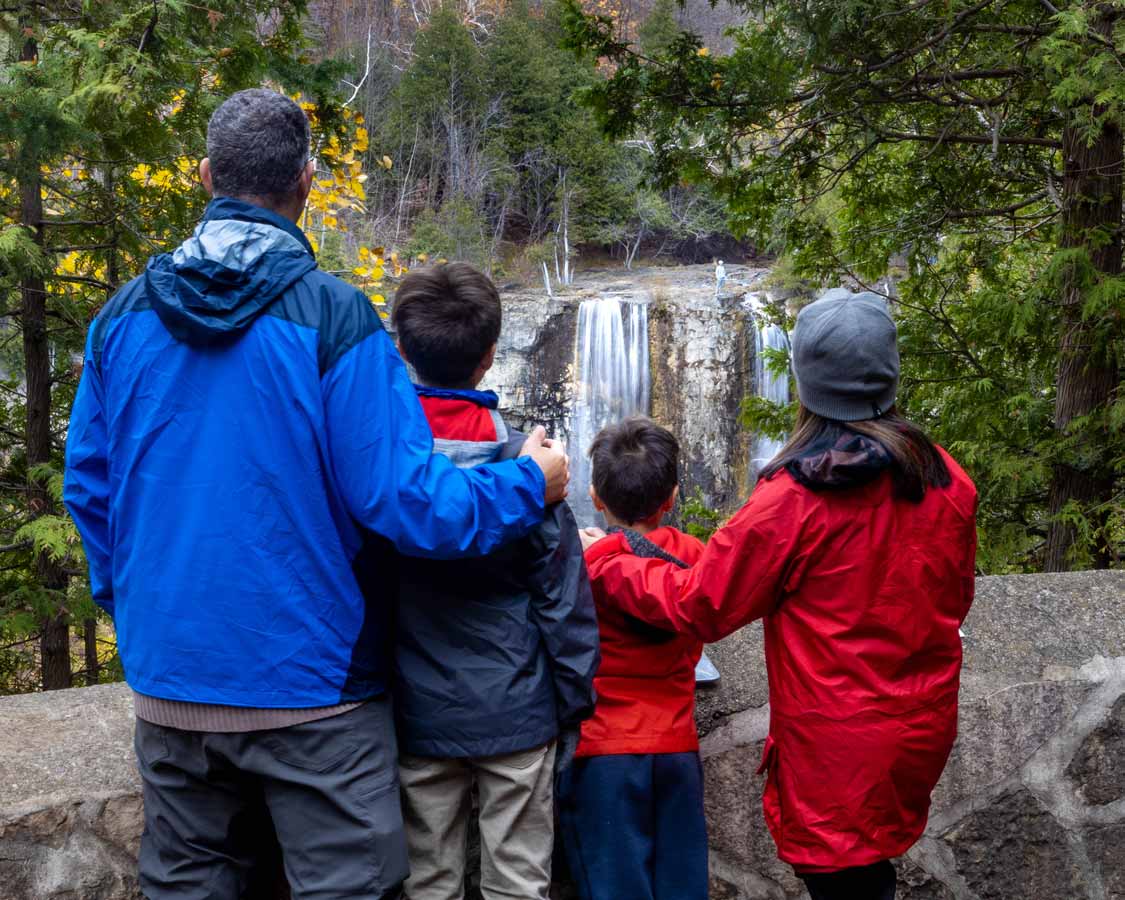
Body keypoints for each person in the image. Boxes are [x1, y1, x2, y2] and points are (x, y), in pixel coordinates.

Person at [63, 89, 569, 900]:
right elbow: (403, 502)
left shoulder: (120, 319)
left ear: (203, 176)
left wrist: (138, 609)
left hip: (171, 681)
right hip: (316, 692)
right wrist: (526, 484)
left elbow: (89, 488)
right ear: (305, 181)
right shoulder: (336, 317)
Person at [580, 290, 978, 900]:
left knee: (842, 876)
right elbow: (954, 596)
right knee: (868, 870)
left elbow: (702, 604)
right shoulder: (945, 477)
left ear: (805, 384)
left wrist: (608, 563)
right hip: (919, 723)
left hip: (837, 743)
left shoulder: (795, 501)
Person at [387, 264, 601, 900]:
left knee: (428, 881)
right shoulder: (531, 469)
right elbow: (564, 603)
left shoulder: (383, 469)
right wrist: (572, 705)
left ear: (402, 350)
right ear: (488, 359)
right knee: (518, 883)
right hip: (517, 711)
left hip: (414, 714)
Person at [558, 417, 709, 900]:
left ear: (596, 497)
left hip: (601, 752)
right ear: (672, 497)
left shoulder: (580, 563)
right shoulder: (696, 558)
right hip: (677, 750)